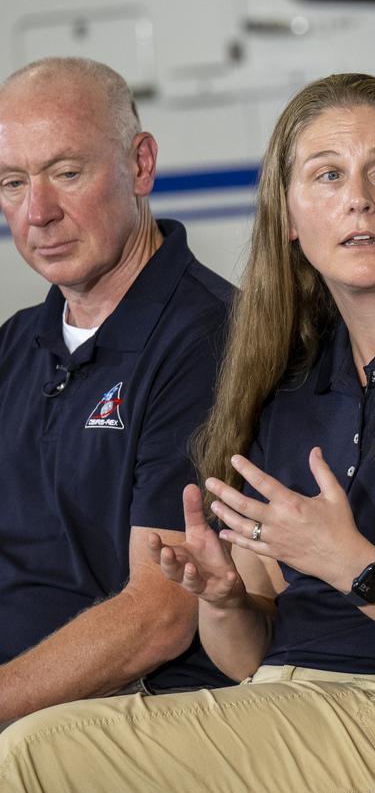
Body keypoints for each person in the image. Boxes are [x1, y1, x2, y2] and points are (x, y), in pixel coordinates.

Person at [0, 72, 375, 791]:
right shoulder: (291, 388)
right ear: (288, 217)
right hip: (291, 696)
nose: (358, 198)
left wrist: (353, 563)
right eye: (327, 175)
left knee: (35, 753)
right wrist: (223, 600)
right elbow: (245, 655)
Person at [0, 57, 234, 726]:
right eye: (12, 183)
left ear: (141, 165)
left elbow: (159, 616)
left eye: (67, 173)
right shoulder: (16, 345)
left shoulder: (211, 341)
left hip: (120, 711)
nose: (37, 213)